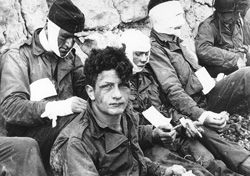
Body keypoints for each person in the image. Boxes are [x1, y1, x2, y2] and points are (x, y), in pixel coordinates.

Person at [49, 46, 214, 176]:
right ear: (91, 91)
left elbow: (134, 158)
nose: (117, 95)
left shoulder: (124, 114)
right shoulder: (77, 143)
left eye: (123, 86)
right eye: (107, 87)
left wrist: (165, 171)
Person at [147, 0, 250, 175]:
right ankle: (244, 163)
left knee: (247, 74)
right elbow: (173, 90)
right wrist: (202, 115)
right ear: (163, 17)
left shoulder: (176, 40)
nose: (182, 18)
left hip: (207, 95)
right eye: (177, 14)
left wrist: (215, 81)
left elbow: (197, 71)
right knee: (202, 132)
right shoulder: (156, 50)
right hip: (189, 109)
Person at [121, 29, 242, 176]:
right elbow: (123, 130)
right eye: (138, 53)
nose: (143, 59)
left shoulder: (147, 76)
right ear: (126, 52)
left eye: (146, 54)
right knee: (193, 171)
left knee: (208, 161)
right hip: (147, 145)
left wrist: (183, 124)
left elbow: (164, 107)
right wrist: (152, 134)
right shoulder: (117, 84)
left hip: (172, 133)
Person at [0, 0, 88, 174]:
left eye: (73, 39)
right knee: (76, 118)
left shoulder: (70, 57)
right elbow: (10, 108)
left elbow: (88, 89)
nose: (69, 45)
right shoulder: (18, 56)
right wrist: (59, 107)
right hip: (23, 139)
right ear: (48, 26)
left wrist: (95, 60)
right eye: (65, 37)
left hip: (59, 134)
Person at [195, 0, 250, 78]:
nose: (238, 16)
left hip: (240, 65)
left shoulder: (237, 23)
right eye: (234, 13)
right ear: (220, 12)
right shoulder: (208, 26)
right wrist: (233, 58)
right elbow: (203, 50)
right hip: (221, 72)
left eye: (239, 13)